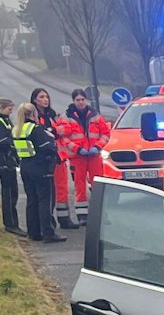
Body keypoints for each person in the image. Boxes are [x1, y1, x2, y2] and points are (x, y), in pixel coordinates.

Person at [14, 101, 63, 243]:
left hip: (25, 166)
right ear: (33, 113)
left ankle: (33, 232)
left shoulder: (16, 129)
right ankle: (48, 232)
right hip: (40, 167)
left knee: (32, 200)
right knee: (45, 201)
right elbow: (47, 147)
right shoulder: (35, 129)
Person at [60, 88, 111, 225]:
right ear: (73, 101)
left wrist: (98, 147)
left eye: (82, 99)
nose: (81, 102)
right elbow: (64, 138)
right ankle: (82, 216)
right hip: (78, 157)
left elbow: (106, 133)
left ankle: (100, 214)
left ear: (86, 100)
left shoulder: (95, 115)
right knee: (80, 186)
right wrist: (78, 149)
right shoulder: (66, 117)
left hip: (94, 156)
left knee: (98, 185)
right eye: (78, 100)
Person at [27, 88, 74, 229]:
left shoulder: (54, 115)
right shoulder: (34, 117)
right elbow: (39, 133)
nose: (45, 99)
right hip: (44, 159)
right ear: (35, 100)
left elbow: (67, 128)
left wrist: (53, 131)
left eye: (46, 96)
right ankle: (48, 222)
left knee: (62, 188)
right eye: (41, 97)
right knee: (47, 193)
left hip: (58, 157)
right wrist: (53, 132)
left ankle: (64, 218)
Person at [0, 96, 25, 237]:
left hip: (8, 159)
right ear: (1, 108)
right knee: (8, 193)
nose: (11, 111)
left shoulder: (5, 121)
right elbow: (2, 142)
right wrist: (14, 142)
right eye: (9, 108)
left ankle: (13, 223)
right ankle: (10, 224)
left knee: (13, 192)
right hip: (2, 160)